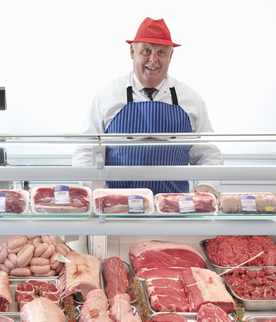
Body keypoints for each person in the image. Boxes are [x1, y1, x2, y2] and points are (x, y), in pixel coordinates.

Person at [72, 17, 223, 197]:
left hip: (173, 208)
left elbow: (207, 154)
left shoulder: (190, 99)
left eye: (161, 52)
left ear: (170, 56)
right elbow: (85, 149)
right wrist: (95, 187)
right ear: (132, 52)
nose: (153, 59)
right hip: (118, 208)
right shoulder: (107, 95)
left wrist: (206, 185)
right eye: (146, 50)